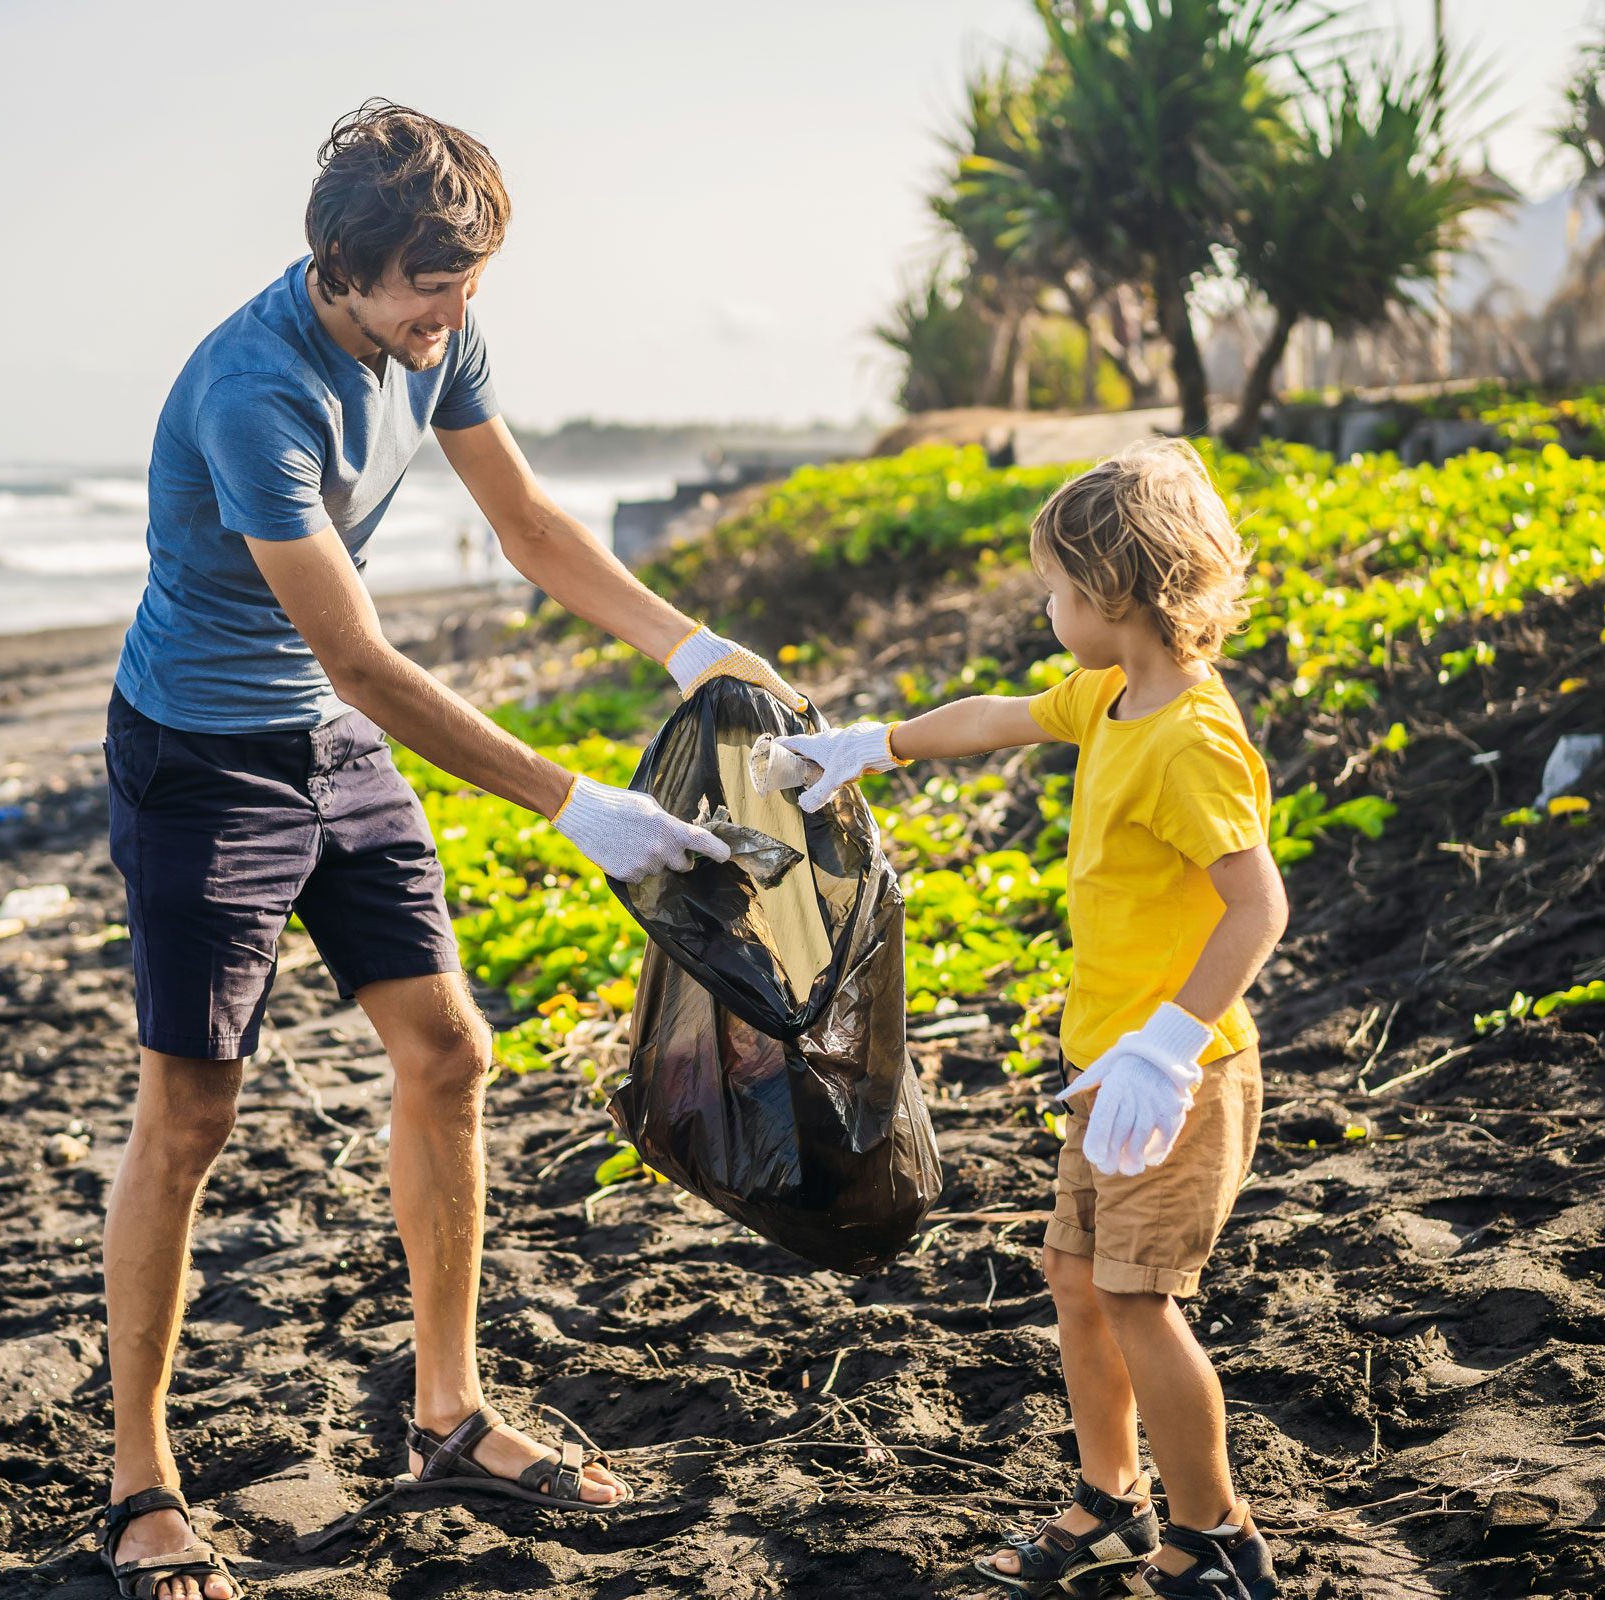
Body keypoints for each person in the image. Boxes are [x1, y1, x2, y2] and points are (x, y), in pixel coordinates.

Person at [95, 100, 803, 1600]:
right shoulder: (250, 394)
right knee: (192, 1115)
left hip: (325, 738)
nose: (453, 315)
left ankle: (447, 1415)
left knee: (450, 1054)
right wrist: (581, 808)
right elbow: (359, 660)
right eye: (428, 288)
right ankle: (142, 1486)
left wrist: (689, 646)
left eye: (466, 284)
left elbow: (528, 525)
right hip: (205, 759)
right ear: (341, 266)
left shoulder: (436, 329)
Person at [776, 439, 1287, 1600]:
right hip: (1106, 1067)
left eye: (1057, 588)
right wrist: (871, 747)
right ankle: (1113, 1501)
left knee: (1139, 1300)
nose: (1046, 606)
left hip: (1178, 1076)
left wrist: (1167, 1047)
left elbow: (1258, 908)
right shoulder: (1112, 696)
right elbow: (999, 716)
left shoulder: (1192, 740)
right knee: (1073, 1276)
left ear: (1115, 594)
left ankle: (1217, 1537)